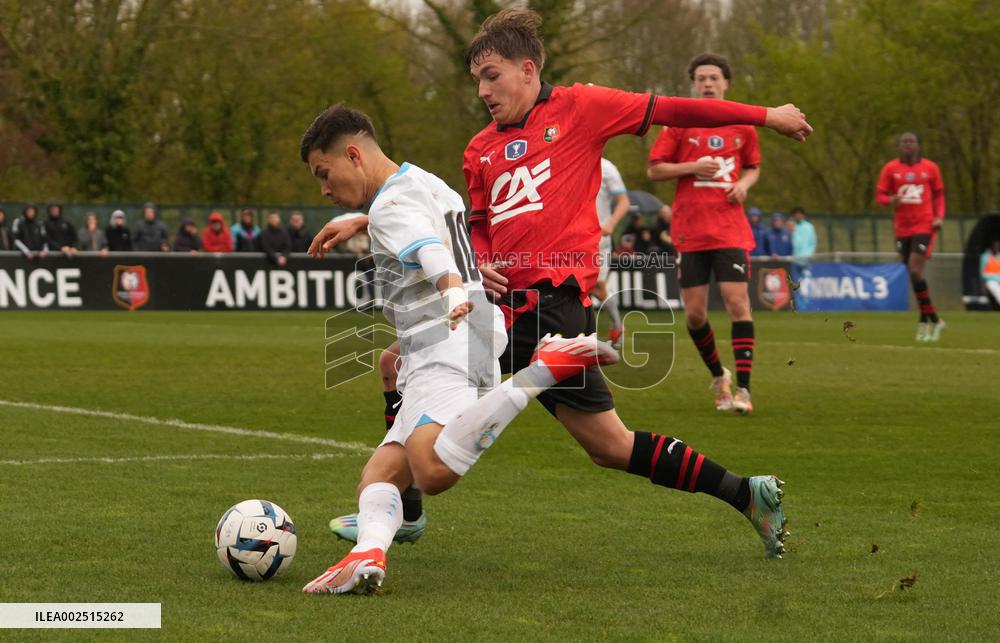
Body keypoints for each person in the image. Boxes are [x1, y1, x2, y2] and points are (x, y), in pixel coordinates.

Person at [314, 9, 809, 559]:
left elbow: (675, 109)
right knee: (398, 365)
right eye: (477, 79)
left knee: (607, 445)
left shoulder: (581, 107)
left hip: (550, 308)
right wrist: (473, 257)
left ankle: (746, 492)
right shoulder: (480, 149)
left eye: (492, 76)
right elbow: (472, 224)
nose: (482, 90)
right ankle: (403, 511)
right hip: (494, 308)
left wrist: (767, 115)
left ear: (528, 70)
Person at [298, 103, 617, 594]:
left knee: (432, 470)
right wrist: (363, 221)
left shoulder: (390, 208)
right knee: (378, 479)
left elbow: (426, 245)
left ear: (354, 155)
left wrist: (450, 288)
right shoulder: (422, 181)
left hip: (440, 338)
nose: (323, 188)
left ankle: (543, 369)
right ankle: (367, 555)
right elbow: (435, 224)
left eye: (325, 173)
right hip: (469, 331)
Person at [647, 52, 765, 414]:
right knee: (695, 315)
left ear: (726, 83)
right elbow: (654, 170)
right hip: (690, 231)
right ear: (694, 84)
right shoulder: (680, 124)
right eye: (701, 78)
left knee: (737, 303)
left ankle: (744, 390)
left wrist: (745, 184)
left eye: (714, 77)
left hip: (729, 229)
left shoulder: (743, 125)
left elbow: (753, 167)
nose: (708, 83)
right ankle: (719, 375)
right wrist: (692, 166)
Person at [876, 132, 946, 341]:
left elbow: (940, 194)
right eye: (904, 142)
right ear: (899, 147)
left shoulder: (931, 168)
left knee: (916, 270)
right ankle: (931, 319)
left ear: (918, 145)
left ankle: (926, 321)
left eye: (911, 142)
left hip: (924, 224)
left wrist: (939, 216)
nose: (908, 145)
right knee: (913, 274)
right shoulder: (890, 169)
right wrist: (891, 200)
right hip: (902, 229)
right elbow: (879, 196)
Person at [591, 157, 630, 349]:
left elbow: (624, 201)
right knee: (576, 286)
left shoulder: (606, 167)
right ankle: (580, 336)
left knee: (596, 287)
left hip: (598, 237)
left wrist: (611, 225)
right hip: (570, 236)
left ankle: (616, 325)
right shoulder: (566, 160)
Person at [981, 240, 1000, 309]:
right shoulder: (985, 257)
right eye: (995, 246)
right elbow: (982, 273)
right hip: (990, 281)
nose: (996, 248)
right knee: (997, 291)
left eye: (998, 246)